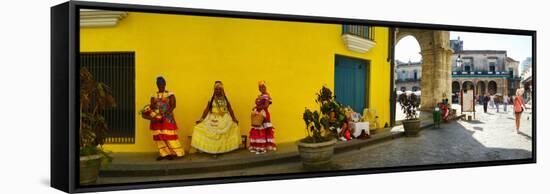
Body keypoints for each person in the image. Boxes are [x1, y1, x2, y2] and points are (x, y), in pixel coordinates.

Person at [191, 81, 241, 154]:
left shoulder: (226, 99)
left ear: (222, 89)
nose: (218, 91)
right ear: (214, 90)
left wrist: (234, 119)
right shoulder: (211, 99)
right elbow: (206, 109)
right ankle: (213, 151)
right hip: (213, 118)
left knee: (230, 130)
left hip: (225, 119)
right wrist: (201, 119)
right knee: (201, 129)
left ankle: (221, 150)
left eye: (219, 89)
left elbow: (230, 109)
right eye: (216, 89)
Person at [149, 76, 184, 161]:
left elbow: (173, 105)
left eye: (162, 83)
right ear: (156, 85)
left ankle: (176, 152)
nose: (160, 85)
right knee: (159, 136)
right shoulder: (153, 95)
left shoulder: (170, 94)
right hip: (157, 119)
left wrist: (166, 114)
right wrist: (153, 108)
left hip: (168, 118)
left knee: (169, 136)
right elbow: (152, 106)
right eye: (158, 84)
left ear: (165, 84)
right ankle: (164, 153)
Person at [249, 81, 277, 154]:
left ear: (265, 87)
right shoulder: (260, 95)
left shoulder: (267, 95)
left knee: (263, 130)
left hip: (264, 114)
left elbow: (266, 106)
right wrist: (256, 108)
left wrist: (257, 107)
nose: (262, 88)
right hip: (259, 114)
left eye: (263, 87)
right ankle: (258, 146)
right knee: (258, 129)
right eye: (260, 87)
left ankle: (263, 147)